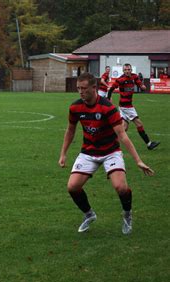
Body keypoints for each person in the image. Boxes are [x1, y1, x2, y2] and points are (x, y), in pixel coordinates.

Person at [59, 72, 154, 235]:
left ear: (94, 88)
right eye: (78, 89)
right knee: (72, 187)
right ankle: (89, 215)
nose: (81, 92)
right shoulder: (75, 107)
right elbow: (70, 130)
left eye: (84, 89)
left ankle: (127, 215)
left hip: (111, 152)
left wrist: (138, 160)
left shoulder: (107, 108)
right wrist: (63, 154)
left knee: (121, 187)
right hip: (88, 152)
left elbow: (122, 135)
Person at [107, 63, 160, 150]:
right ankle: (149, 144)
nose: (127, 71)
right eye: (125, 70)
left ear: (131, 70)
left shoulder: (134, 76)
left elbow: (140, 84)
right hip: (126, 107)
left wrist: (142, 86)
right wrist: (109, 99)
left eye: (129, 69)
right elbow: (111, 89)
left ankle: (109, 143)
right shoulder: (120, 79)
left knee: (124, 128)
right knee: (139, 124)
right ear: (123, 71)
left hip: (125, 106)